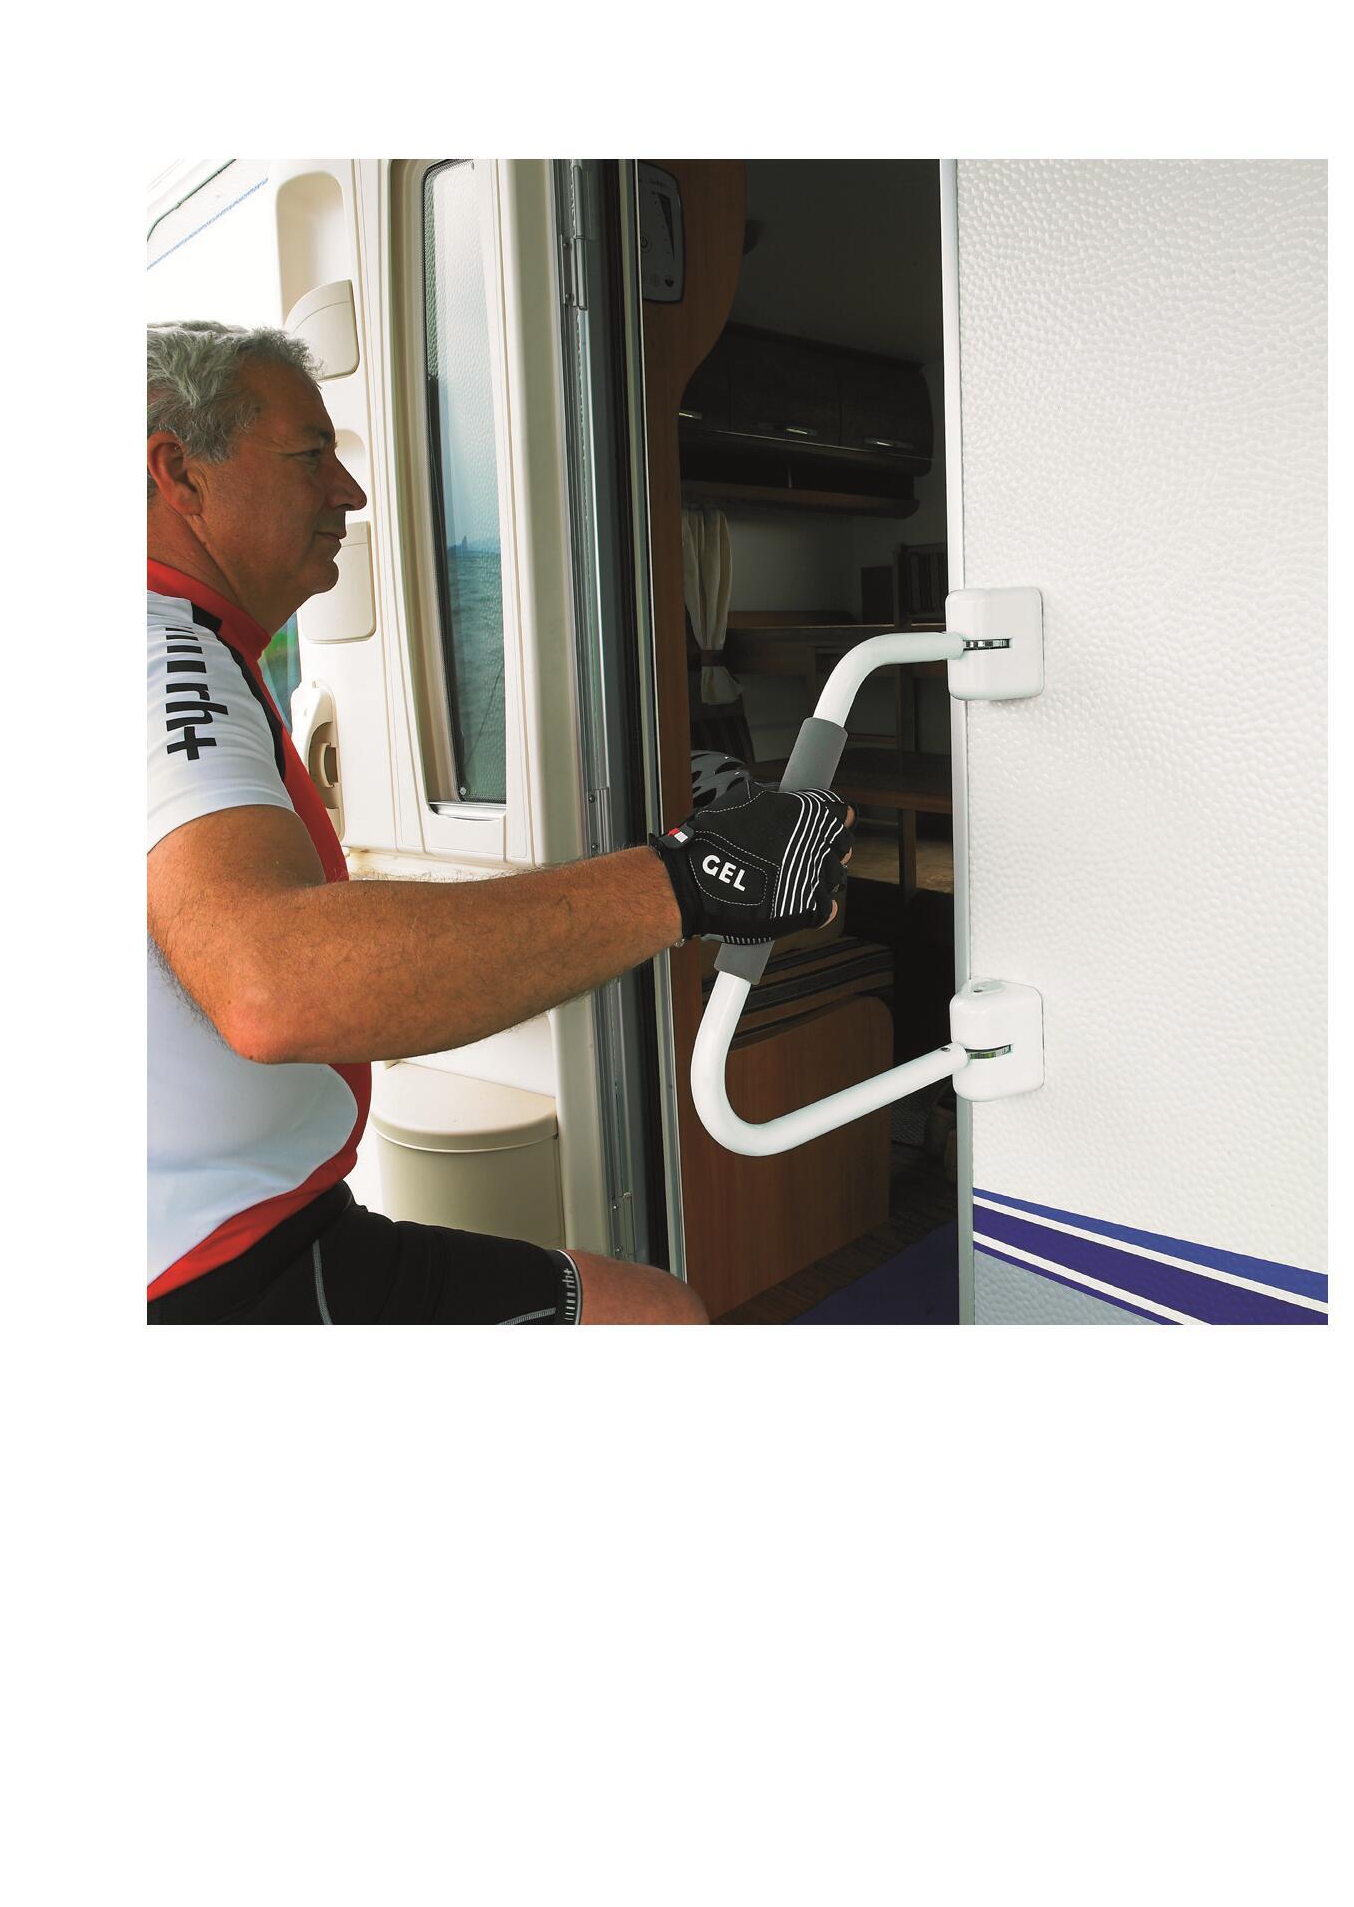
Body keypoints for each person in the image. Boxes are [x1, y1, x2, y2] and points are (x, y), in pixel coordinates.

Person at [146, 324, 852, 1324]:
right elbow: (272, 983)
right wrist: (695, 876)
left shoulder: (189, 645)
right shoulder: (163, 654)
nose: (349, 492)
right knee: (653, 1321)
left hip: (242, 1227)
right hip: (218, 1267)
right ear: (180, 474)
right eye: (310, 456)